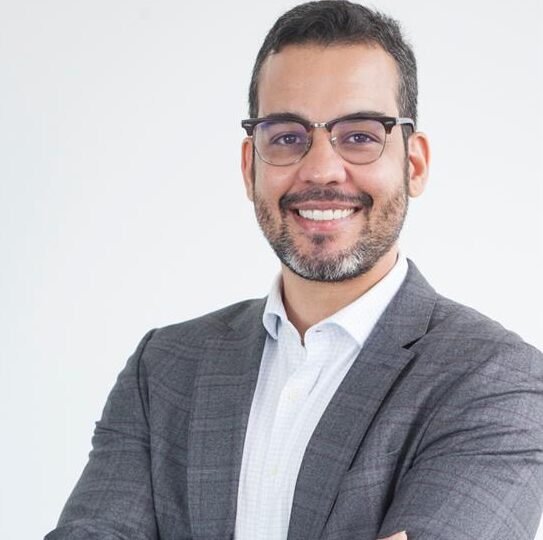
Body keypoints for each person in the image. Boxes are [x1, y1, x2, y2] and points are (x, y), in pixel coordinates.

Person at [46, 1, 543, 539]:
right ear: (249, 167)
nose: (322, 169)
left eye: (360, 135)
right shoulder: (163, 369)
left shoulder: (498, 381)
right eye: (287, 136)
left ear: (414, 164)